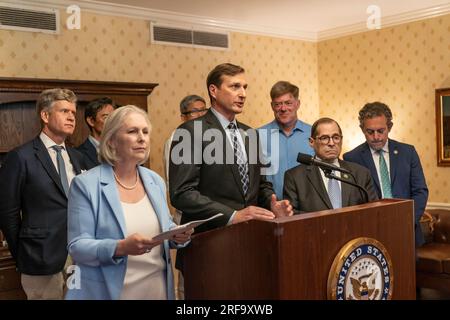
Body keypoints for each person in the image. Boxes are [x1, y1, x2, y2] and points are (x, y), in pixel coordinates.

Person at [169, 63, 293, 271]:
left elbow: (261, 186)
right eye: (235, 87)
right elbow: (182, 193)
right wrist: (232, 216)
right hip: (208, 249)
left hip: (250, 247)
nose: (243, 94)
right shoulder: (189, 132)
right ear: (213, 91)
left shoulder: (250, 134)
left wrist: (272, 205)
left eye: (245, 87)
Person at [65, 105, 192, 300]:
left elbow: (164, 227)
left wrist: (177, 236)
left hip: (156, 289)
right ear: (112, 141)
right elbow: (78, 247)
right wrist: (120, 247)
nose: (142, 138)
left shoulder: (154, 181)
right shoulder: (86, 185)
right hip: (110, 292)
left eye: (145, 131)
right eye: (132, 131)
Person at [0, 88, 90, 300]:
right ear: (45, 115)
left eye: (73, 112)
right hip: (40, 256)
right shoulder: (20, 157)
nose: (71, 117)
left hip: (78, 255)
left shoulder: (78, 157)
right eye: (64, 111)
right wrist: (22, 254)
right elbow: (7, 213)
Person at [343, 102, 428, 246]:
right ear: (362, 129)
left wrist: (407, 221)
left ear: (390, 127)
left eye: (380, 131)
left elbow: (420, 191)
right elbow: (353, 200)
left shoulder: (408, 152)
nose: (376, 137)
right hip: (369, 233)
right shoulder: (352, 158)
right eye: (370, 132)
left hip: (407, 231)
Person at [283, 117, 378, 214]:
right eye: (324, 138)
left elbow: (373, 211)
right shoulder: (295, 177)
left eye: (336, 137)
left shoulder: (360, 174)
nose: (331, 143)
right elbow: (292, 215)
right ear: (311, 142)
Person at [162, 95, 207, 300]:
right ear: (183, 117)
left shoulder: (209, 136)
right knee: (189, 274)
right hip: (187, 214)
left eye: (203, 110)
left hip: (209, 214)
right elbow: (178, 187)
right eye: (194, 112)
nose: (200, 115)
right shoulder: (177, 139)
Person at [258, 81, 313, 199]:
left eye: (288, 103)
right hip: (271, 208)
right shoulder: (258, 136)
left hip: (308, 208)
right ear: (272, 106)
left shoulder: (313, 134)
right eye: (278, 104)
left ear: (298, 104)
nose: (283, 108)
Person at [77, 97, 115, 167]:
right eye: (106, 117)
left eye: (113, 117)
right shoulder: (78, 154)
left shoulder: (121, 150)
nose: (112, 121)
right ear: (91, 121)